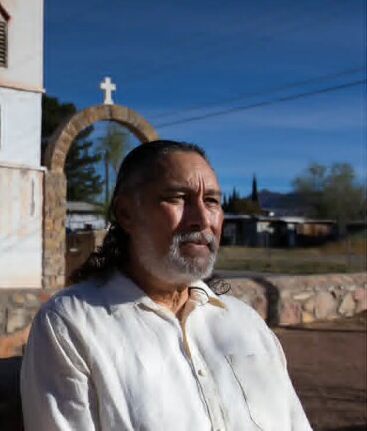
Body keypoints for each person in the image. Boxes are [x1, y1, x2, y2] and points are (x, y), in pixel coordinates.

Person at [20, 140, 310, 430]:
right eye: (177, 198)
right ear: (126, 214)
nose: (200, 220)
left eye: (211, 201)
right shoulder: (71, 326)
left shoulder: (248, 325)